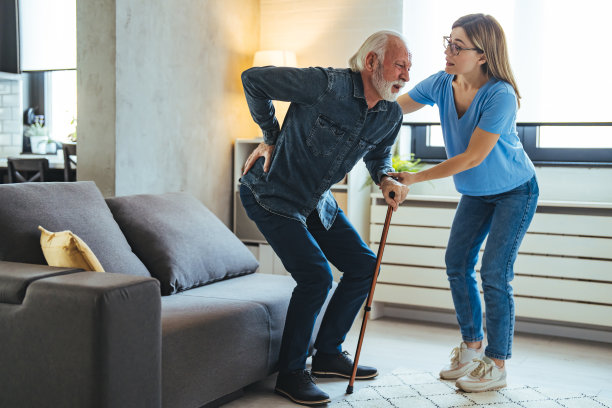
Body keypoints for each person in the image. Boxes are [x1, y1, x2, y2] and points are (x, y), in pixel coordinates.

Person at [239, 30, 410, 406]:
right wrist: (270, 135)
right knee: (316, 276)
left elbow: (378, 156)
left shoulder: (390, 114)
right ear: (371, 63)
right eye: (400, 66)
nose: (406, 77)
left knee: (365, 264)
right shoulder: (324, 84)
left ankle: (329, 354)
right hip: (272, 193)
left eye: (409, 68)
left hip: (315, 201)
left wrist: (385, 180)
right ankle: (291, 374)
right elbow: (253, 80)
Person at [393, 14, 539, 393]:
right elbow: (395, 109)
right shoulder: (443, 83)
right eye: (448, 42)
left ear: (484, 55)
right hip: (476, 192)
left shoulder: (500, 95)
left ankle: (496, 362)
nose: (448, 51)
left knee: (494, 273)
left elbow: (473, 157)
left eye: (458, 46)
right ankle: (472, 350)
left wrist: (414, 177)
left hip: (514, 191)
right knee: (457, 264)